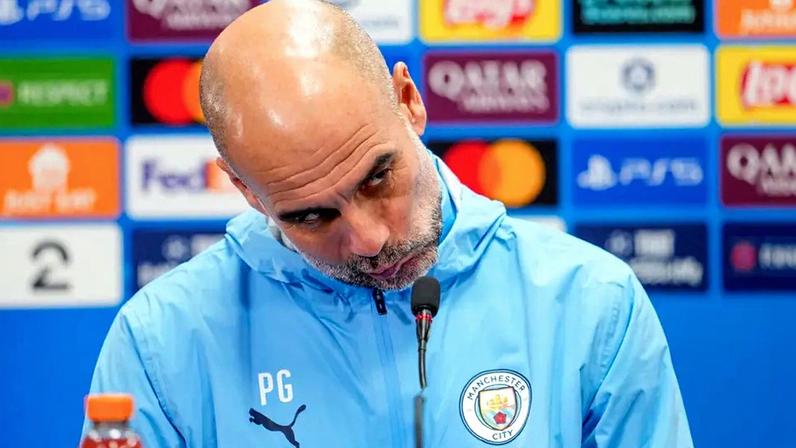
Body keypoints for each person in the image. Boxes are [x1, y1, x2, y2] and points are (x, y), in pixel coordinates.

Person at [84, 0, 693, 446]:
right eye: (311, 215)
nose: (370, 240)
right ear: (245, 190)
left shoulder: (591, 303)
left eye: (377, 177)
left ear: (409, 103)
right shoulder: (161, 342)